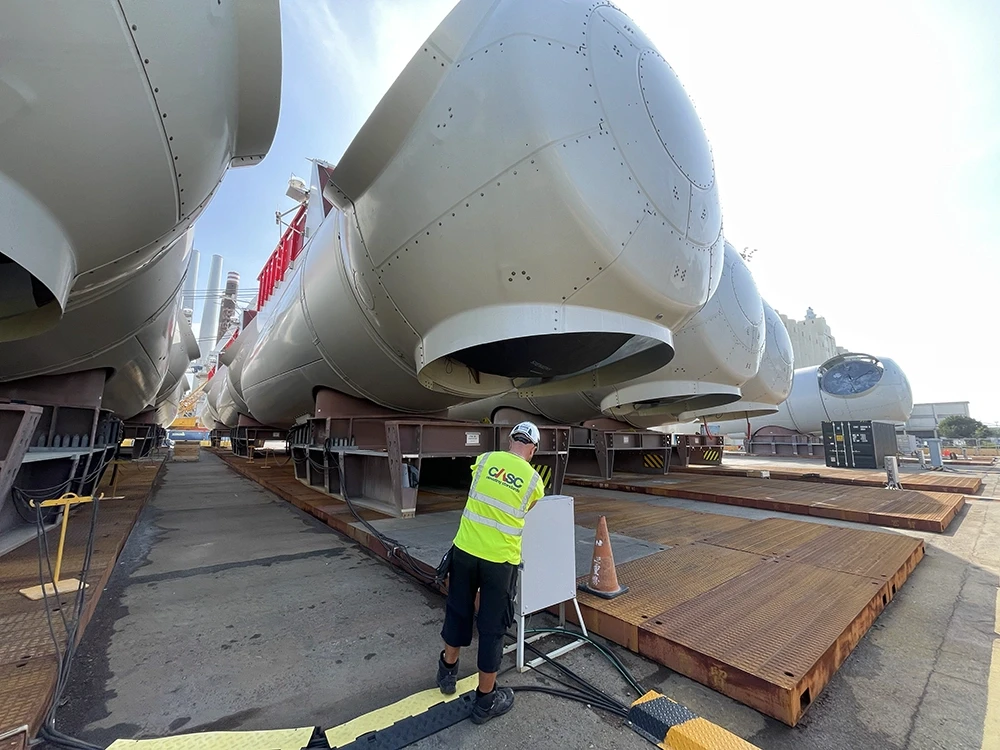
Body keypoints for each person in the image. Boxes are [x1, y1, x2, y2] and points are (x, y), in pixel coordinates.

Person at [435, 421, 547, 724]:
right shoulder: (534, 480)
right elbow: (527, 508)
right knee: (492, 627)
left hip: (466, 550)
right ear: (533, 450)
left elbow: (477, 490)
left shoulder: (484, 461)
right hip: (500, 562)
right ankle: (485, 702)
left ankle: (448, 672)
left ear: (510, 440)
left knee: (458, 611)